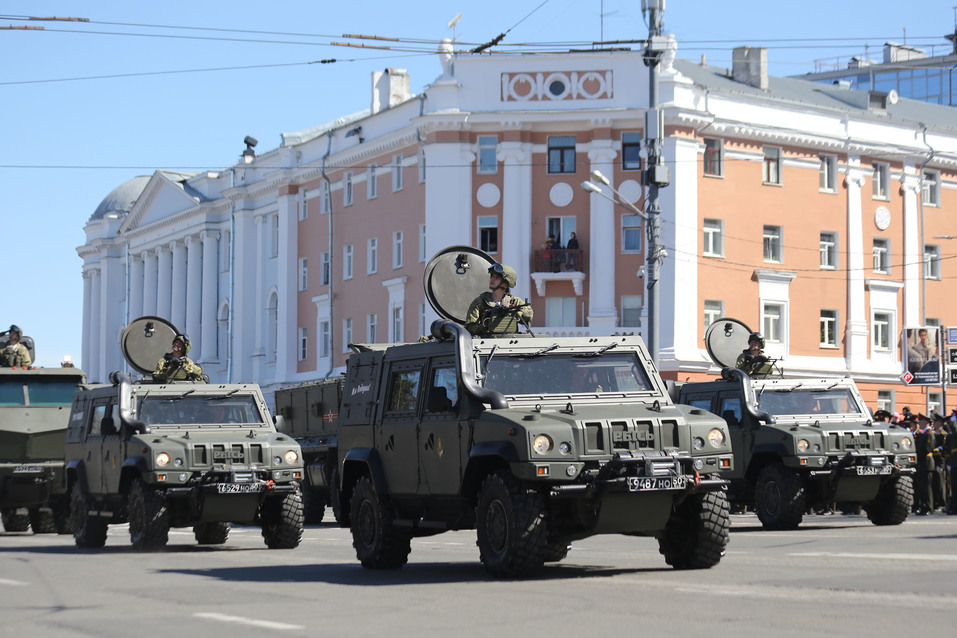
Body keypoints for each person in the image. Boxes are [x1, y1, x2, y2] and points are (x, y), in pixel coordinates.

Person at [464, 263, 533, 335]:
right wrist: (484, 327)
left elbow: (529, 315)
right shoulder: (480, 302)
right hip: (487, 341)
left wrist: (516, 313)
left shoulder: (515, 302)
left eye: (496, 278)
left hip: (510, 341)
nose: (492, 279)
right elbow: (469, 326)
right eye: (492, 276)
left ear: (506, 284)